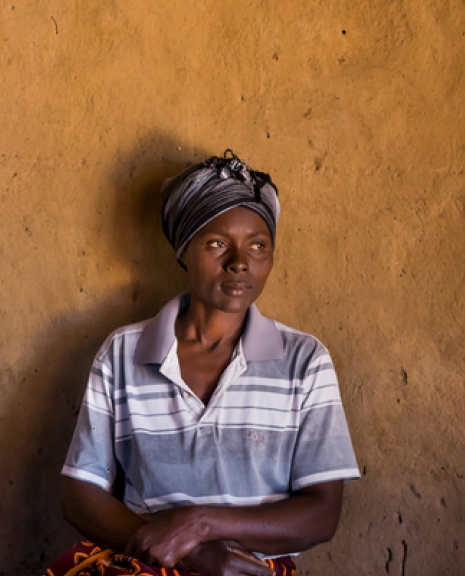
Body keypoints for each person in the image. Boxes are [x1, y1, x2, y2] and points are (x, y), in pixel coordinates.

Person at [56, 150, 360, 576]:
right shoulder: (124, 353)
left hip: (253, 570)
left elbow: (322, 515)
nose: (239, 262)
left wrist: (200, 523)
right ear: (184, 251)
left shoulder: (304, 361)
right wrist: (192, 551)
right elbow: (78, 491)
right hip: (147, 564)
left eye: (258, 245)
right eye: (217, 243)